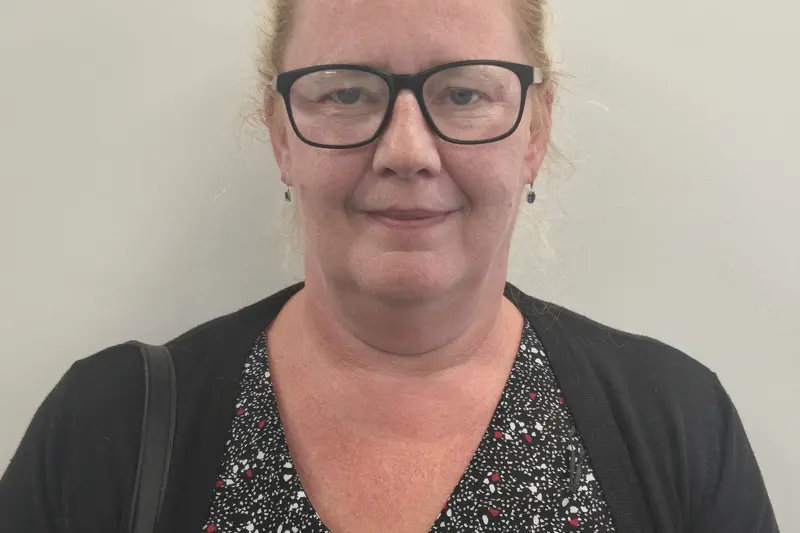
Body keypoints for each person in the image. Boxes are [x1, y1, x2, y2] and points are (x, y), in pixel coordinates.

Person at [0, 0, 780, 531]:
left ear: (535, 132)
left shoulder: (679, 428)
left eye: (464, 94)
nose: (407, 150)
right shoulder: (106, 431)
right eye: (346, 94)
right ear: (281, 134)